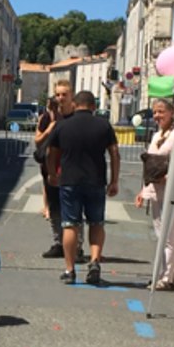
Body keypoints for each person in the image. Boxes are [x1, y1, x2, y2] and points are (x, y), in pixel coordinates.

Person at [46, 90, 120, 286]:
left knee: (70, 225)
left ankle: (70, 270)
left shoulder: (63, 126)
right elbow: (114, 153)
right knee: (96, 223)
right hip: (95, 180)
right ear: (93, 106)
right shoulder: (104, 126)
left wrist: (53, 174)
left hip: (69, 179)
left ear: (74, 105)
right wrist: (114, 180)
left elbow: (51, 153)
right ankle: (94, 261)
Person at [134, 98, 174, 291]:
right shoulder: (156, 136)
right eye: (155, 112)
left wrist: (169, 176)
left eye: (161, 111)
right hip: (155, 189)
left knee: (167, 235)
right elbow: (151, 164)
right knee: (161, 232)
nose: (157, 115)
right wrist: (143, 190)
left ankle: (166, 276)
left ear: (171, 113)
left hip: (171, 188)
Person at [34, 82, 84, 262]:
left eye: (64, 94)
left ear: (72, 96)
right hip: (51, 168)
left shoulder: (76, 117)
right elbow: (37, 141)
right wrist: (50, 127)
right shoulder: (47, 117)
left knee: (74, 209)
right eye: (58, 95)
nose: (61, 98)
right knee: (55, 208)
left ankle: (76, 247)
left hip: (71, 169)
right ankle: (58, 243)